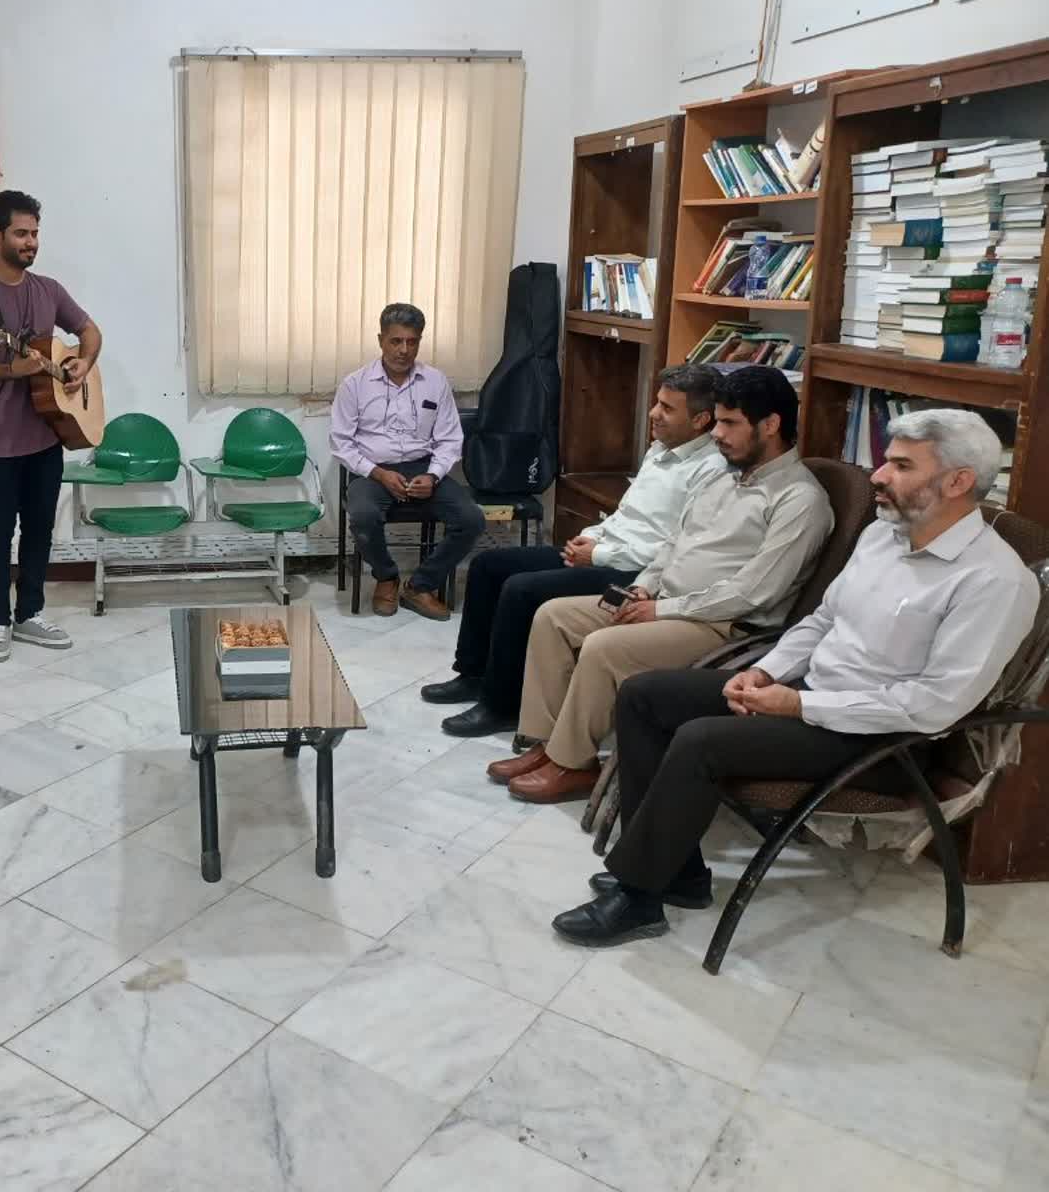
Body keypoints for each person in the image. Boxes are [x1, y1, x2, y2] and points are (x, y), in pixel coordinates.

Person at [553, 408, 1039, 946]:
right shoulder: (884, 536)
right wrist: (764, 672)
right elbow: (823, 620)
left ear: (958, 481)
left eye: (902, 466)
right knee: (646, 695)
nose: (878, 476)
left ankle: (639, 896)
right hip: (809, 696)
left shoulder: (995, 581)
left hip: (884, 740)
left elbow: (935, 703)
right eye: (886, 462)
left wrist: (799, 706)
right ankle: (677, 873)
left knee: (701, 741)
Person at [489, 366, 833, 804]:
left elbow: (753, 593)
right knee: (553, 617)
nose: (717, 434)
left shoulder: (800, 501)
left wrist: (661, 610)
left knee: (603, 647)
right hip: (664, 601)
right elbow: (676, 541)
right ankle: (547, 744)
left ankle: (572, 764)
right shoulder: (724, 476)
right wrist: (646, 586)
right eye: (717, 421)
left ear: (770, 425)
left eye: (730, 423)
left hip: (723, 626)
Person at [426, 365, 727, 735]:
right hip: (605, 551)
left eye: (667, 408)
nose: (653, 413)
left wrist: (596, 555)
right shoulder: (660, 449)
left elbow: (672, 547)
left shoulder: (712, 471)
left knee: (521, 590)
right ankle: (473, 674)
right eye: (657, 403)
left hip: (633, 574)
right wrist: (589, 537)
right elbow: (627, 515)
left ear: (700, 420)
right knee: (489, 565)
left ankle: (502, 705)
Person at [0, 189, 103, 662]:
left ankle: (30, 613)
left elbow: (90, 332)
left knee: (39, 529)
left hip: (46, 433)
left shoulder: (48, 290)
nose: (31, 242)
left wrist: (81, 364)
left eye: (34, 233)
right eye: (21, 233)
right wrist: (10, 369)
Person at [330, 303, 481, 621]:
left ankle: (420, 585)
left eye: (412, 342)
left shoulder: (435, 381)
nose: (404, 350)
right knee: (363, 516)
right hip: (372, 472)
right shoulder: (355, 384)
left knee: (471, 519)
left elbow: (450, 439)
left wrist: (434, 475)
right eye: (396, 341)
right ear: (381, 340)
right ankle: (386, 577)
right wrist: (379, 474)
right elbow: (341, 443)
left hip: (423, 468)